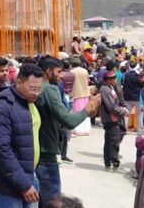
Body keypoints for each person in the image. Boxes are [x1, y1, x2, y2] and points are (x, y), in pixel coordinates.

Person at [36, 57, 99, 201]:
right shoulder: (49, 90)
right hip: (46, 156)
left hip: (38, 153)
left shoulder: (38, 87)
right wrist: (88, 108)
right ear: (48, 71)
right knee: (52, 201)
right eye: (58, 72)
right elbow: (68, 121)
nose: (60, 76)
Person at [0, 63, 44, 207]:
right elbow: (1, 151)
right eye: (32, 88)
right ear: (19, 82)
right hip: (8, 185)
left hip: (30, 177)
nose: (36, 93)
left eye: (39, 89)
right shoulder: (2, 107)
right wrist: (24, 185)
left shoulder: (29, 102)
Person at [99, 70, 128, 170]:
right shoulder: (105, 90)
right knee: (114, 140)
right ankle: (114, 161)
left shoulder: (111, 88)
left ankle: (108, 160)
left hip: (113, 118)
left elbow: (118, 99)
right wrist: (123, 112)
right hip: (110, 119)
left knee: (110, 140)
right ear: (109, 80)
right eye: (114, 79)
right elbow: (111, 106)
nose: (116, 80)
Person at [69, 59, 91, 136]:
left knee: (76, 112)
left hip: (76, 94)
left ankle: (77, 130)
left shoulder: (71, 72)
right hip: (85, 93)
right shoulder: (85, 71)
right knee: (86, 111)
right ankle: (86, 129)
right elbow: (88, 81)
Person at [123, 64, 143, 133]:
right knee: (139, 114)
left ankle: (124, 128)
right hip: (137, 97)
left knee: (126, 114)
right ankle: (139, 130)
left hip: (127, 97)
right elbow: (142, 85)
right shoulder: (138, 76)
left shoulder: (126, 75)